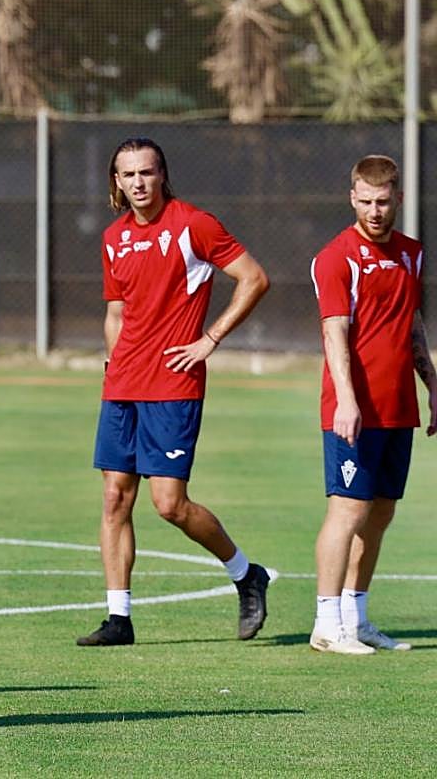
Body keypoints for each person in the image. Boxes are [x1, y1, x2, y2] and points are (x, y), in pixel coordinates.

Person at [78, 137, 271, 647]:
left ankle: (246, 573)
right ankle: (119, 617)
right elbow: (116, 313)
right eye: (128, 174)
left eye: (147, 172)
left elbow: (253, 278)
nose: (138, 182)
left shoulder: (193, 225)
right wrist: (110, 367)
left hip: (173, 384)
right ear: (116, 182)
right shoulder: (114, 237)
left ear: (162, 174)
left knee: (169, 504)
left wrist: (210, 339)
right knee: (115, 497)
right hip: (121, 385)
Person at [308, 155, 436, 654]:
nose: (375, 211)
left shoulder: (412, 254)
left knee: (380, 511)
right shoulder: (336, 257)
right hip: (353, 411)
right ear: (352, 198)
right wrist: (346, 400)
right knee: (348, 509)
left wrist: (431, 383)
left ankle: (356, 618)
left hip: (397, 407)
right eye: (365, 201)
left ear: (398, 199)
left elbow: (412, 322)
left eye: (383, 202)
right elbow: (333, 332)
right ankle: (325, 624)